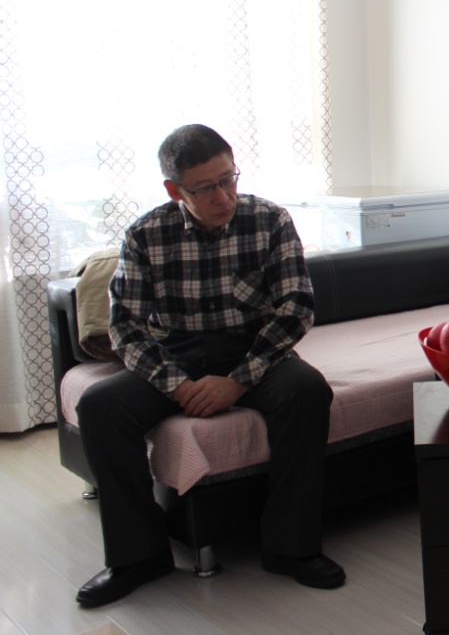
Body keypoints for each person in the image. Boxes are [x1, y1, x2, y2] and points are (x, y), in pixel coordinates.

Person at [74, 125, 343, 608]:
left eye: (228, 179)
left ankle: (292, 547)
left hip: (252, 348)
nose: (223, 197)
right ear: (175, 190)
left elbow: (296, 308)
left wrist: (237, 382)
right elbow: (126, 327)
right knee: (100, 406)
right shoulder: (145, 234)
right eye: (205, 188)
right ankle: (138, 557)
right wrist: (178, 386)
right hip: (175, 353)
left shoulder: (269, 220)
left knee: (307, 391)